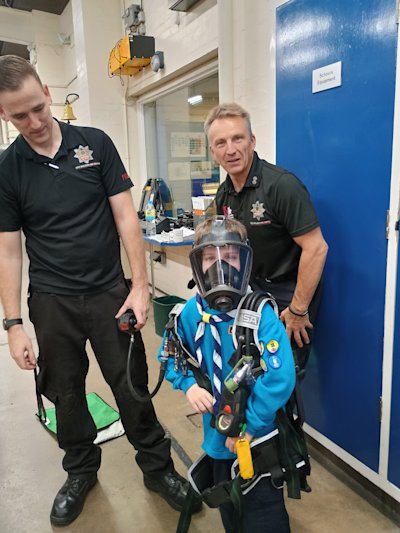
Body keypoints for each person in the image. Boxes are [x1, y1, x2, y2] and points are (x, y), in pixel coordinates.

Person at [0, 55, 200, 527]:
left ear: (48, 92)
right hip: (51, 303)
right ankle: (80, 472)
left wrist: (140, 287)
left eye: (36, 108)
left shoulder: (96, 145)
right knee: (65, 393)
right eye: (17, 115)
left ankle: (157, 470)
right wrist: (12, 325)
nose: (32, 122)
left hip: (111, 293)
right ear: (3, 115)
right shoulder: (9, 169)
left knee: (131, 388)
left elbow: (125, 216)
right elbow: (9, 251)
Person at [159, 217, 296, 532]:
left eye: (231, 256)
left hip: (257, 444)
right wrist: (188, 384)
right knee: (230, 512)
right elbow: (169, 355)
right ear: (197, 263)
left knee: (264, 516)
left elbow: (280, 378)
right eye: (210, 257)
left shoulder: (260, 314)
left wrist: (251, 425)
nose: (221, 266)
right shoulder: (189, 314)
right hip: (218, 442)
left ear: (245, 261)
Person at [204, 103, 328, 370]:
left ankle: (289, 412)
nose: (231, 149)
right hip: (252, 289)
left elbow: (316, 248)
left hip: (290, 292)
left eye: (238, 138)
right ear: (213, 152)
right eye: (221, 142)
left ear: (252, 140)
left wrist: (297, 310)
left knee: (284, 371)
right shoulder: (223, 195)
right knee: (252, 366)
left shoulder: (281, 185)